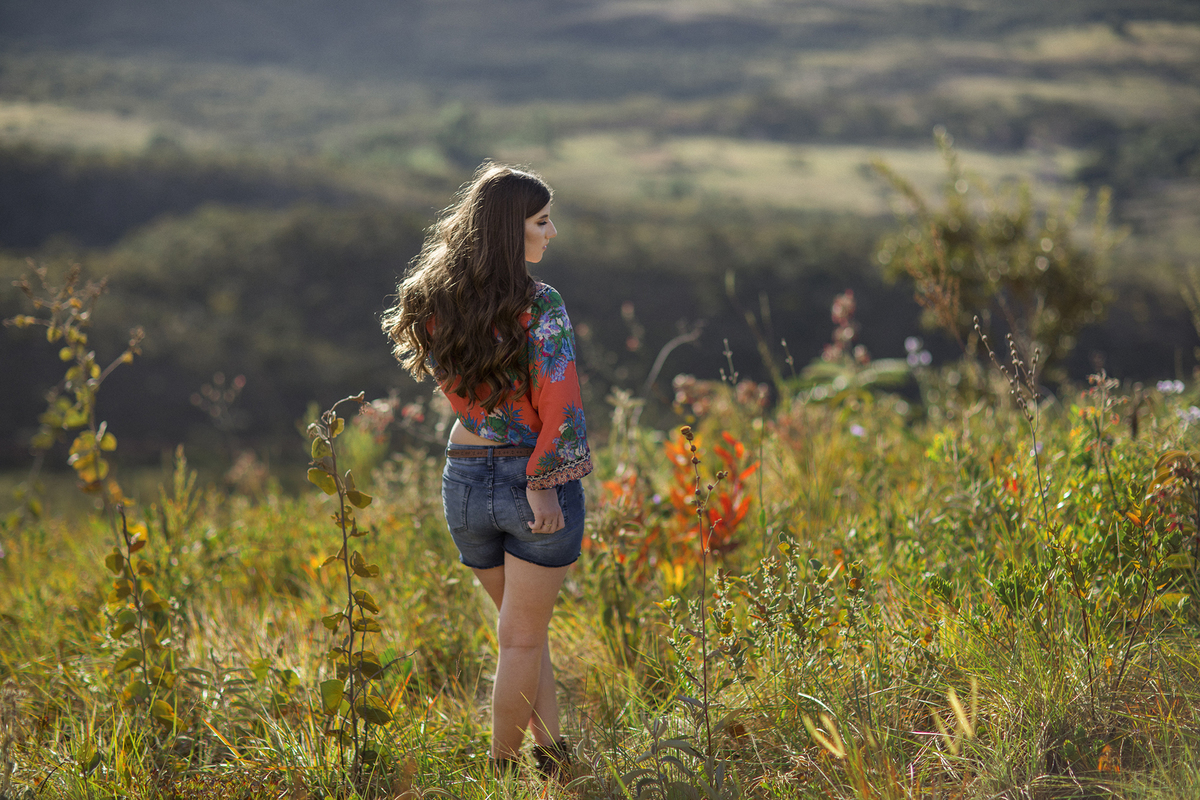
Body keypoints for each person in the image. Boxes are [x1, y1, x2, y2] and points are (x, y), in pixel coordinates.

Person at [382, 163, 591, 779]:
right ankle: (501, 774)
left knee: (523, 634)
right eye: (542, 221)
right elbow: (560, 405)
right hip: (531, 484)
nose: (551, 233)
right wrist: (544, 481)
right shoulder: (540, 304)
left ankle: (553, 758)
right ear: (509, 231)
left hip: (466, 479)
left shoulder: (432, 300)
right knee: (521, 640)